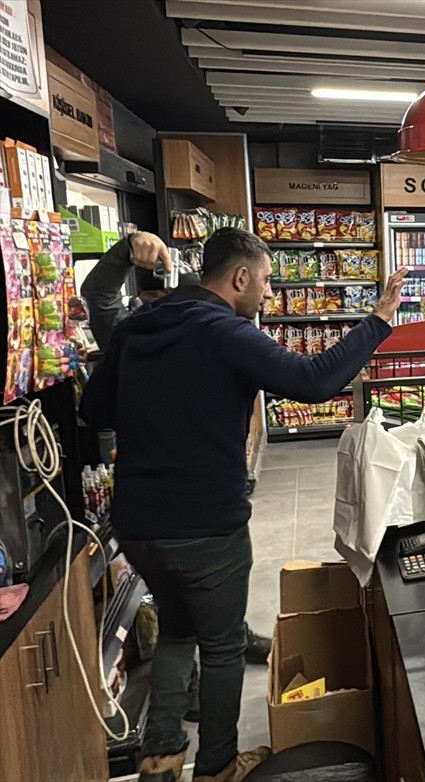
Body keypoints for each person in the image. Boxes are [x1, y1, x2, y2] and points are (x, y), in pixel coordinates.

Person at [80, 228, 407, 782]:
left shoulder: (139, 327)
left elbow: (95, 403)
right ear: (239, 278)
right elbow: (315, 379)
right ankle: (218, 766)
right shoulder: (226, 332)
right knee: (225, 644)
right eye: (266, 279)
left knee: (179, 630)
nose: (269, 291)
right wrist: (377, 320)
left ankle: (159, 758)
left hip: (138, 525)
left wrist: (122, 255)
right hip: (207, 525)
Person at [80, 231, 273, 664]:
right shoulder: (154, 328)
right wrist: (125, 251)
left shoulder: (141, 330)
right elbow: (98, 295)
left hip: (146, 510)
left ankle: (184, 702)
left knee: (186, 618)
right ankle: (215, 674)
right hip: (198, 510)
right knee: (205, 608)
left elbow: (97, 409)